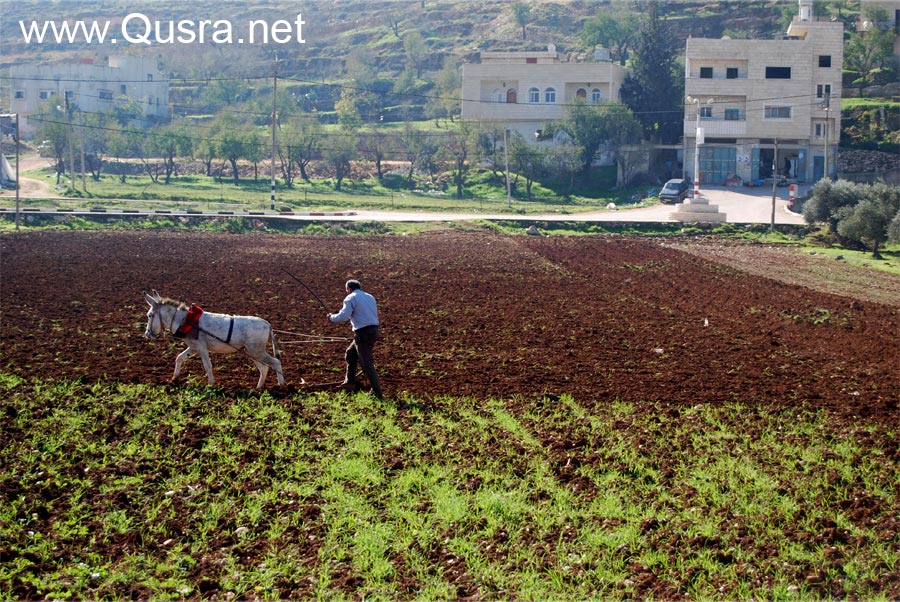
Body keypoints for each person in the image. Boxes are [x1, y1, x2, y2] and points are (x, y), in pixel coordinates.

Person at [328, 279, 383, 399]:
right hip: (373, 331)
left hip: (362, 333)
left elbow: (344, 315)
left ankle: (377, 391)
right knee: (351, 353)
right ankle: (350, 382)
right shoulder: (369, 296)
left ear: (349, 288)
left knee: (366, 363)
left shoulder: (350, 298)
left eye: (346, 289)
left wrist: (331, 317)